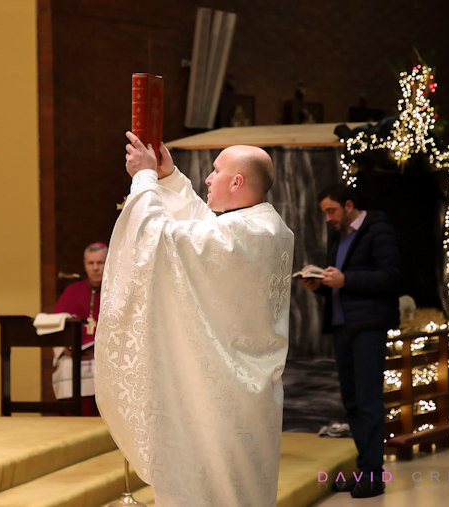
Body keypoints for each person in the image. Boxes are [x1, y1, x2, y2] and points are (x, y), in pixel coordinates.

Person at [95, 132, 294, 506]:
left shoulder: (245, 234)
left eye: (215, 170)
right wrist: (171, 179)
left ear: (237, 182)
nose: (207, 178)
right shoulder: (266, 227)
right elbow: (206, 235)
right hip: (246, 390)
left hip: (218, 396)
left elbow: (161, 238)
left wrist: (144, 179)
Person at [300, 183, 400, 498]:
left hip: (368, 327)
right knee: (353, 403)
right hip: (344, 328)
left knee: (369, 402)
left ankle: (373, 476)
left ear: (349, 204)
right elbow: (341, 281)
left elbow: (391, 276)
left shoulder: (377, 229)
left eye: (331, 210)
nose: (328, 218)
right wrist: (321, 285)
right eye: (324, 213)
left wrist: (347, 279)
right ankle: (364, 469)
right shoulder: (340, 235)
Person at [52, 242, 107, 416]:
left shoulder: (117, 292)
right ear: (85, 265)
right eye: (91, 263)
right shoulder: (72, 291)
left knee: (103, 370)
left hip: (104, 356)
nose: (95, 268)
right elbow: (55, 325)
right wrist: (66, 349)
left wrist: (101, 349)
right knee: (67, 367)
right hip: (75, 355)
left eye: (100, 263)